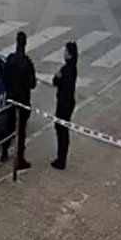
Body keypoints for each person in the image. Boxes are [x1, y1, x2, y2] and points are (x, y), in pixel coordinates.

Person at [1, 31, 36, 170]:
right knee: (21, 130)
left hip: (11, 98)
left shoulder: (10, 59)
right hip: (22, 100)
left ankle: (4, 152)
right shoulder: (27, 63)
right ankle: (19, 159)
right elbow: (32, 83)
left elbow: (4, 77)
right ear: (25, 44)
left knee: (9, 127)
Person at [51, 41, 79, 170]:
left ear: (70, 55)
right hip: (68, 103)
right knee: (63, 131)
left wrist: (57, 77)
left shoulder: (66, 70)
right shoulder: (72, 68)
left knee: (61, 131)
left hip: (64, 105)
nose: (64, 54)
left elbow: (57, 82)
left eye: (66, 52)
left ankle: (61, 159)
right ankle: (61, 157)